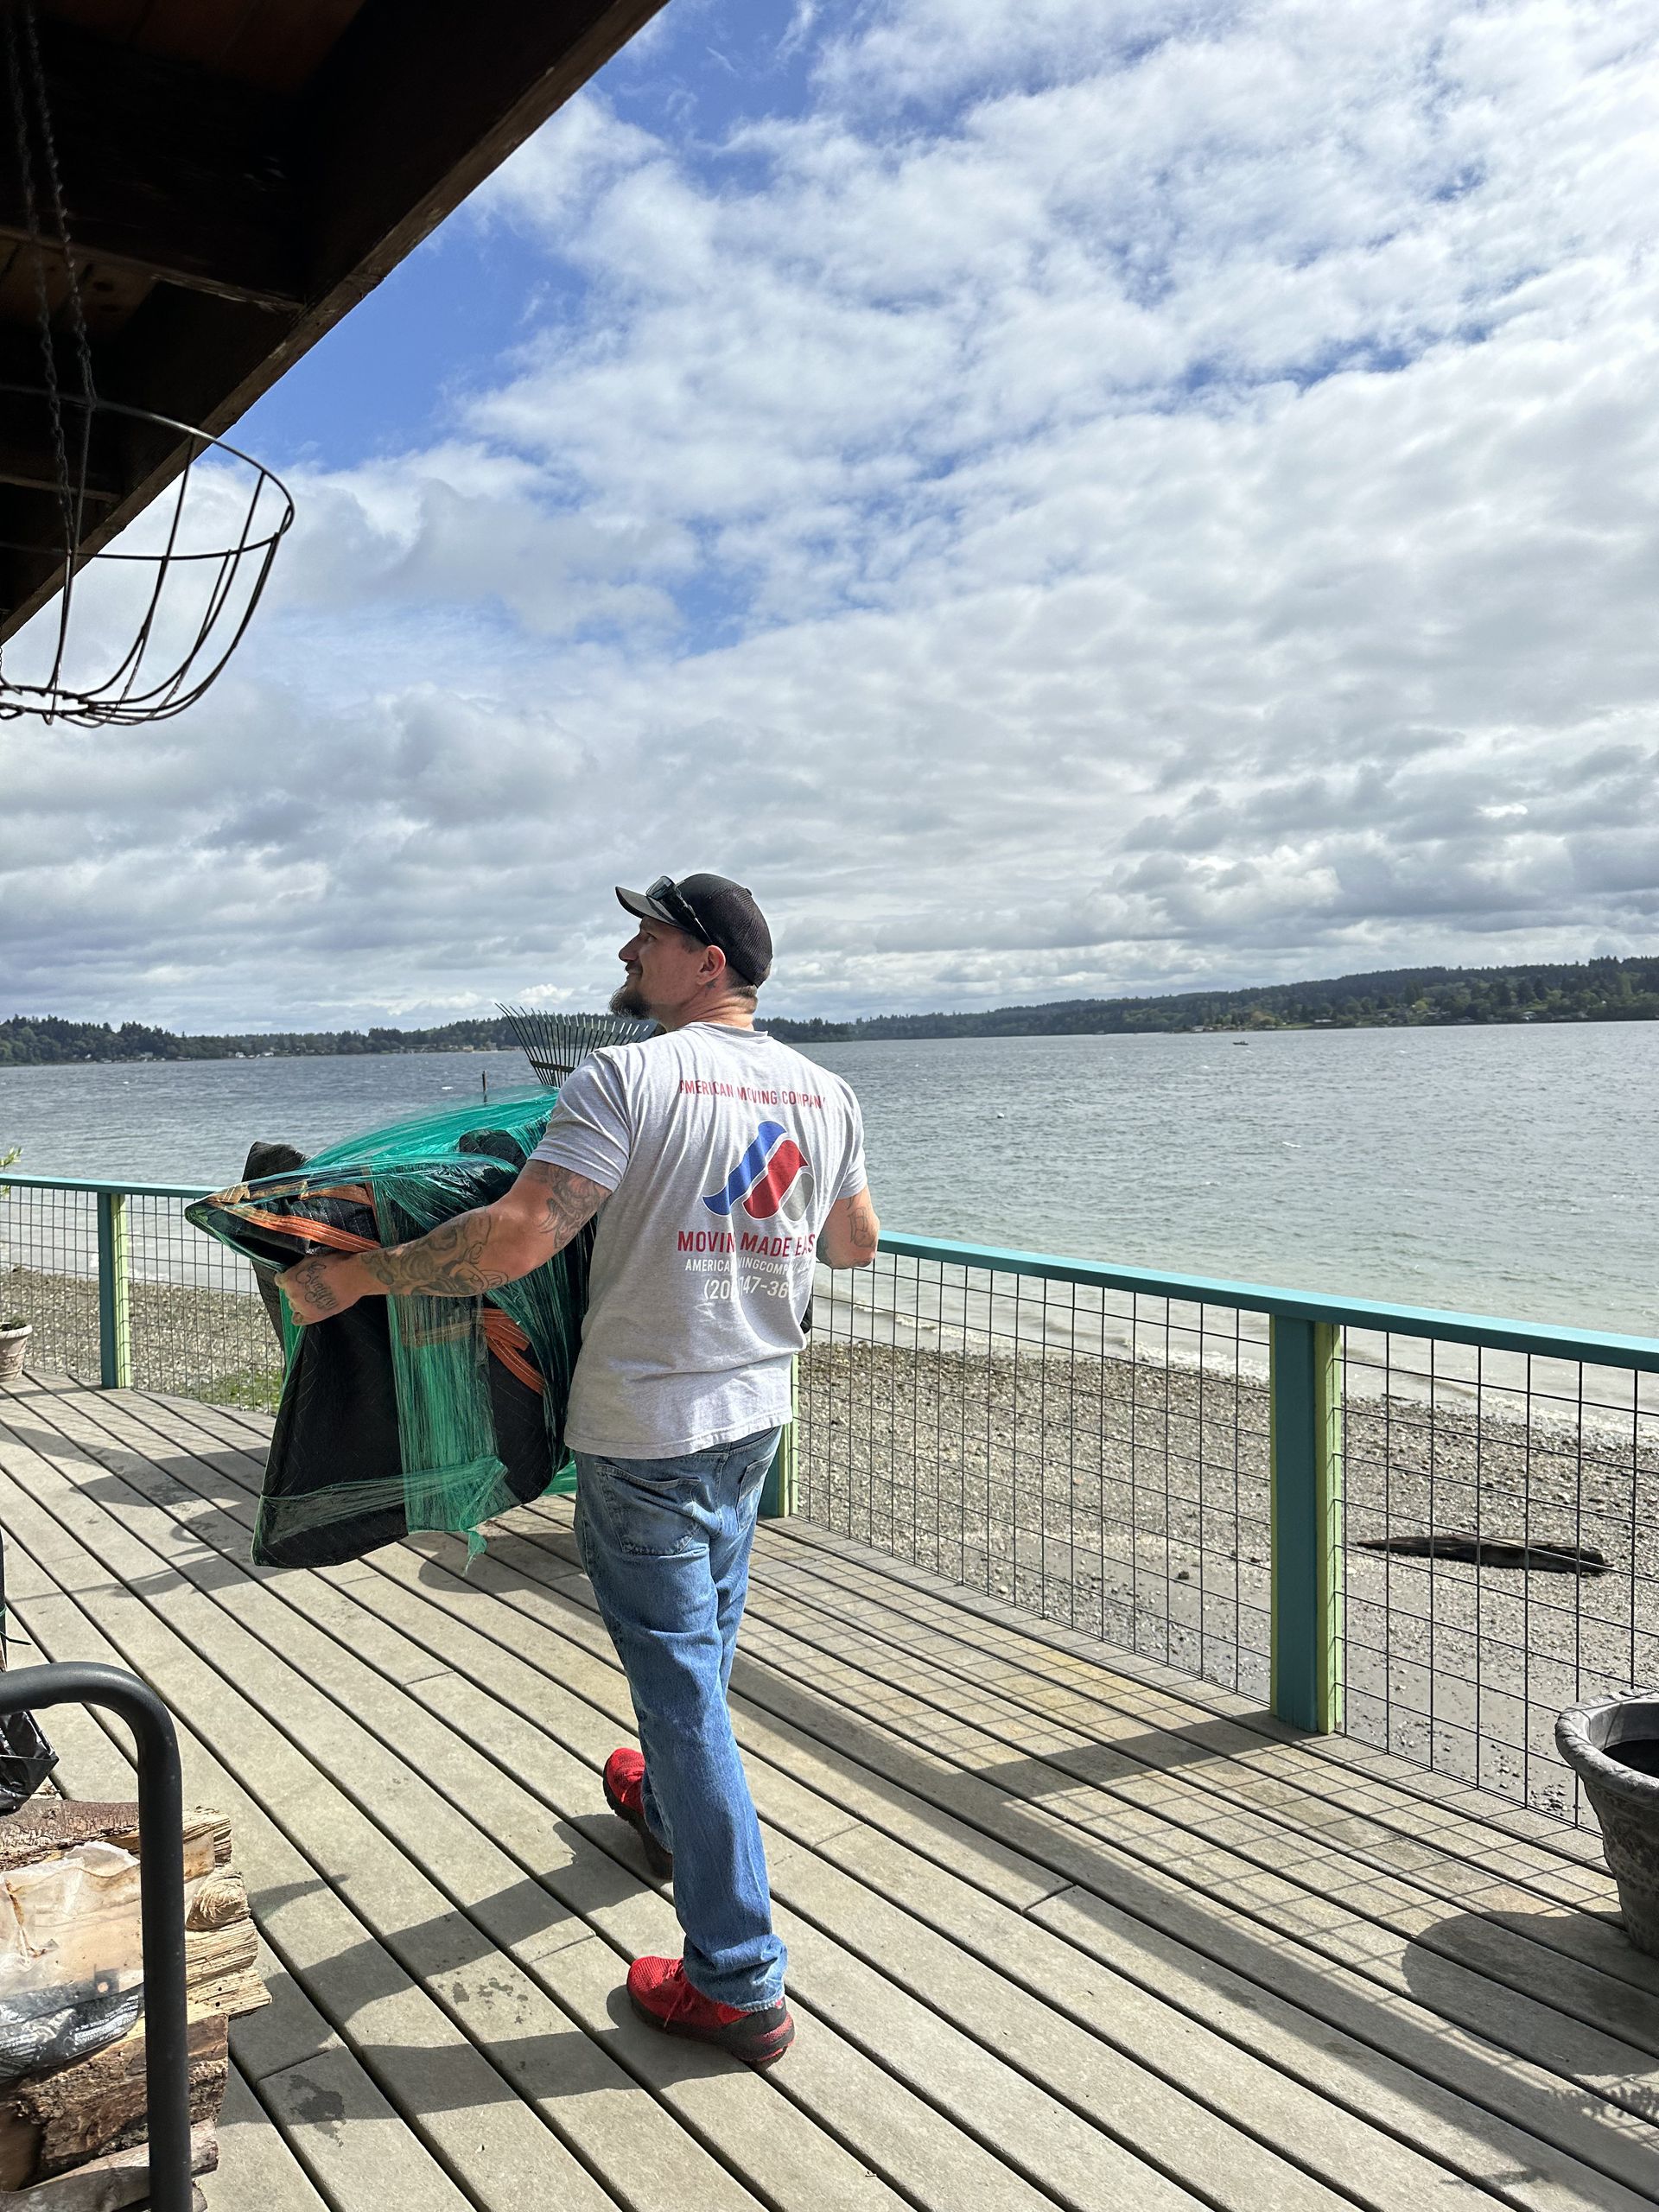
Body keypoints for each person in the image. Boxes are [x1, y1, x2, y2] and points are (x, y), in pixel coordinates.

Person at [279, 873, 879, 2069]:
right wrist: (745, 1224)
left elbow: (518, 1234)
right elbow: (852, 1244)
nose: (630, 948)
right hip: (754, 1416)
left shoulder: (627, 1079)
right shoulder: (825, 1091)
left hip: (647, 1427)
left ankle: (740, 1979)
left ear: (706, 961)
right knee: (699, 1649)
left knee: (685, 1692)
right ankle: (664, 1805)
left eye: (649, 936)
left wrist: (360, 1278)